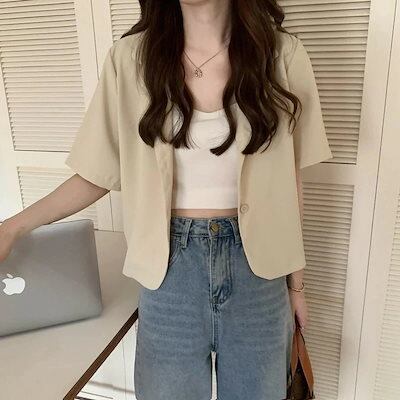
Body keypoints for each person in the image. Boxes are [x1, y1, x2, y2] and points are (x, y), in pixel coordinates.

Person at [0, 1, 333, 399]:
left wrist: (297, 286)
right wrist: (12, 227)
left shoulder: (282, 55)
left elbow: (290, 180)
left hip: (259, 276)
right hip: (170, 273)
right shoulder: (129, 60)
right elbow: (95, 175)